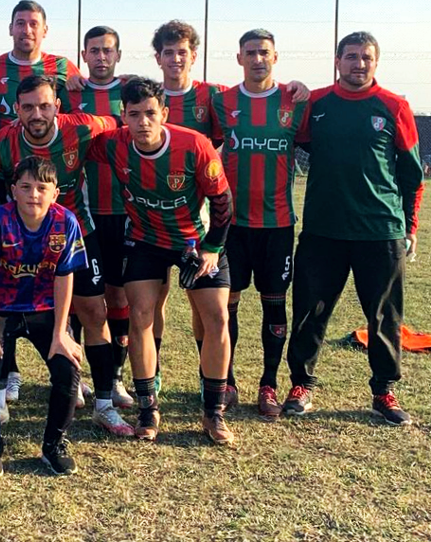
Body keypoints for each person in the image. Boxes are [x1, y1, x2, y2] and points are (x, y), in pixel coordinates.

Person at [0, 75, 129, 438]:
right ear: (17, 110)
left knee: (94, 311)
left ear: (57, 107)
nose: (37, 113)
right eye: (28, 107)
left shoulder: (84, 127)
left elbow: (119, 123)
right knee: (2, 314)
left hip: (76, 230)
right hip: (19, 238)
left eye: (44, 105)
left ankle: (105, 403)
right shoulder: (3, 142)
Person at [284, 31, 422, 426]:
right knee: (310, 311)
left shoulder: (394, 106)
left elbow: (413, 175)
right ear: (337, 60)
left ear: (376, 63)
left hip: (380, 232)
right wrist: (295, 89)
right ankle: (301, 384)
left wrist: (409, 226)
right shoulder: (318, 104)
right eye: (351, 57)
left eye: (366, 57)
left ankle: (383, 391)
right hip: (323, 231)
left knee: (384, 316)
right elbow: (285, 122)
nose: (358, 64)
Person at [87, 77, 235, 445]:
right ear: (123, 116)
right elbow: (69, 143)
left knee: (216, 316)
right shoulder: (113, 144)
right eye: (134, 114)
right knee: (140, 316)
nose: (143, 122)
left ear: (164, 114)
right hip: (146, 240)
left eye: (150, 113)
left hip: (195, 242)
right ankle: (148, 408)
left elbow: (223, 202)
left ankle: (213, 411)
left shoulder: (194, 145)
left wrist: (212, 247)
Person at [209, 29, 309, 420]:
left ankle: (268, 383)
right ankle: (227, 381)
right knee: (226, 305)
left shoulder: (294, 102)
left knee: (274, 305)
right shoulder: (222, 103)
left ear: (275, 57)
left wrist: (303, 88)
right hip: (233, 226)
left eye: (264, 52)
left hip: (278, 225)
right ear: (239, 58)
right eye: (250, 53)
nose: (257, 59)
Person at [0, 156, 88, 476]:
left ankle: (54, 445)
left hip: (44, 309)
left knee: (68, 368)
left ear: (55, 194)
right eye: (25, 187)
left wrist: (62, 332)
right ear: (13, 191)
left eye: (41, 188)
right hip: (2, 309)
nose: (33, 194)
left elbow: (65, 277)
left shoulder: (66, 222)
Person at [61, 25, 133, 410]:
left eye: (108, 50)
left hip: (125, 211)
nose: (101, 57)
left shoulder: (132, 91)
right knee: (77, 298)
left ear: (118, 55)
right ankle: (75, 379)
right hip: (83, 214)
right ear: (83, 56)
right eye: (94, 51)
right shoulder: (70, 93)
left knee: (118, 296)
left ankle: (116, 377)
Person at [0, 0, 82, 130]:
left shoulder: (63, 66)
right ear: (11, 29)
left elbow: (78, 112)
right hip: (7, 149)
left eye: (34, 24)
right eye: (20, 23)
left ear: (45, 30)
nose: (27, 30)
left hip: (49, 148)